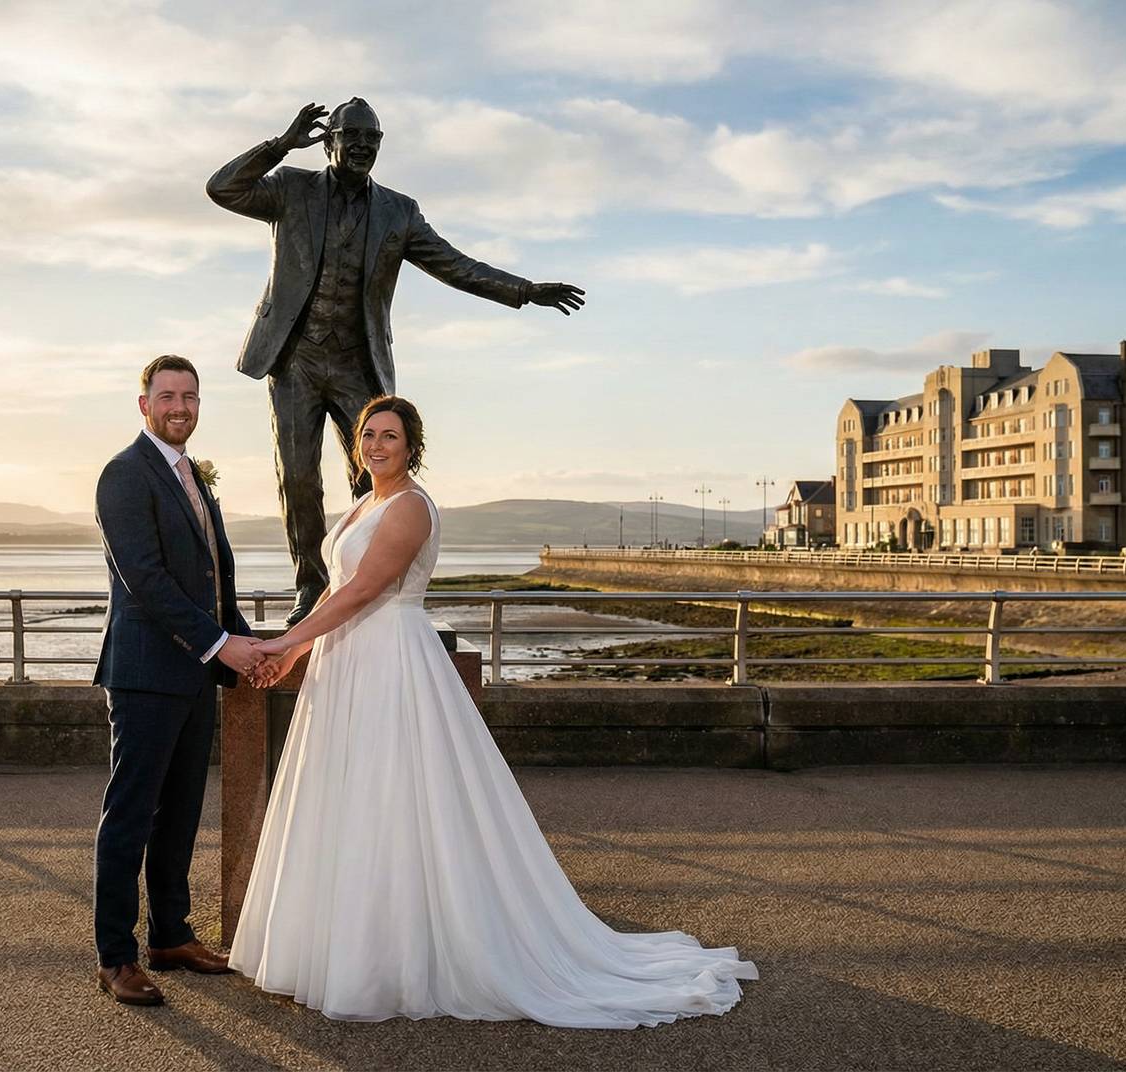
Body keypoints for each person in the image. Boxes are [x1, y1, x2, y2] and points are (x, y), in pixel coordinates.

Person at [232, 396, 757, 1027]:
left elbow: (367, 590)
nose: (376, 444)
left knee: (392, 796)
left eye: (390, 436)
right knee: (350, 798)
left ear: (411, 446)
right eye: (368, 435)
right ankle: (342, 946)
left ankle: (394, 957)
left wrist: (285, 640)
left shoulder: (411, 508)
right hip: (345, 660)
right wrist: (298, 655)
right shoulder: (363, 506)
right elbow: (337, 594)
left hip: (392, 661)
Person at [208, 98, 586, 625]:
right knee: (298, 480)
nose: (362, 147)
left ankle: (372, 586)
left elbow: (454, 265)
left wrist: (524, 291)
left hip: (357, 363)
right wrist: (280, 145)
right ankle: (312, 589)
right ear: (329, 140)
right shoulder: (291, 189)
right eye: (352, 136)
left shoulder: (398, 211)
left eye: (372, 140)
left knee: (377, 478)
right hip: (293, 358)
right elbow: (222, 188)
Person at [90, 355, 261, 1006]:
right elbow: (148, 582)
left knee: (180, 814)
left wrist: (245, 643)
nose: (180, 407)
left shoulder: (195, 476)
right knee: (130, 816)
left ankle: (171, 935)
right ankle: (115, 957)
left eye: (190, 396)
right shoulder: (124, 476)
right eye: (167, 396)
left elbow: (211, 582)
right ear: (145, 406)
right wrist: (222, 644)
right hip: (143, 674)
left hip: (194, 674)